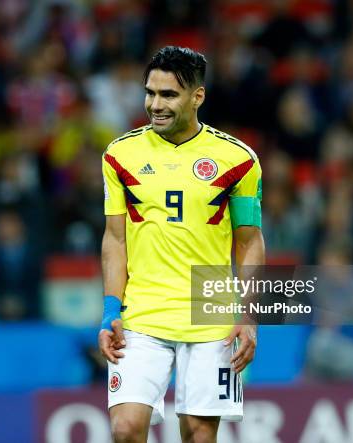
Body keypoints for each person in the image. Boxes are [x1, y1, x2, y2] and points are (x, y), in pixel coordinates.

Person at [98, 46, 265, 443]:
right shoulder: (120, 155)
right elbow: (115, 237)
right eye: (150, 93)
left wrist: (249, 314)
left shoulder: (238, 160)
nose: (155, 104)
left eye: (168, 95)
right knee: (125, 428)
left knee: (199, 436)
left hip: (211, 311)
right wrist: (109, 310)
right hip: (142, 312)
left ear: (197, 96)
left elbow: (249, 242)